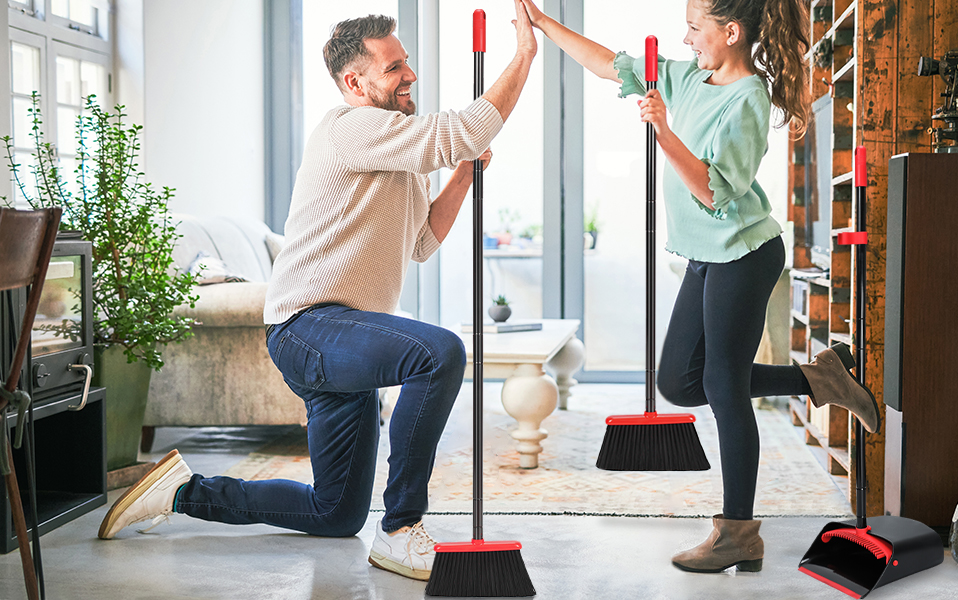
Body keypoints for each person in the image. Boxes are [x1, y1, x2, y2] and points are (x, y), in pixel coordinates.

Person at [98, 2, 538, 583]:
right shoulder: (348, 126)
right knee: (441, 353)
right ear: (355, 83)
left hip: (345, 337)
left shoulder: (398, 150)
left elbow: (424, 241)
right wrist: (524, 55)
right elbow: (459, 130)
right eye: (393, 68)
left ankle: (184, 492)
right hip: (309, 328)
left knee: (335, 513)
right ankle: (403, 527)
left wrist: (462, 173)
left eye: (405, 62)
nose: (408, 75)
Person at [520, 0, 879, 573]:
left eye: (694, 27)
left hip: (745, 252)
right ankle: (819, 378)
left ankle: (738, 533)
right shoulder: (687, 75)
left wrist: (662, 130)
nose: (684, 38)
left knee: (723, 385)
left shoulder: (748, 99)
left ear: (730, 32)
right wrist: (543, 22)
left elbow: (715, 193)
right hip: (708, 255)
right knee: (679, 381)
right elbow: (610, 64)